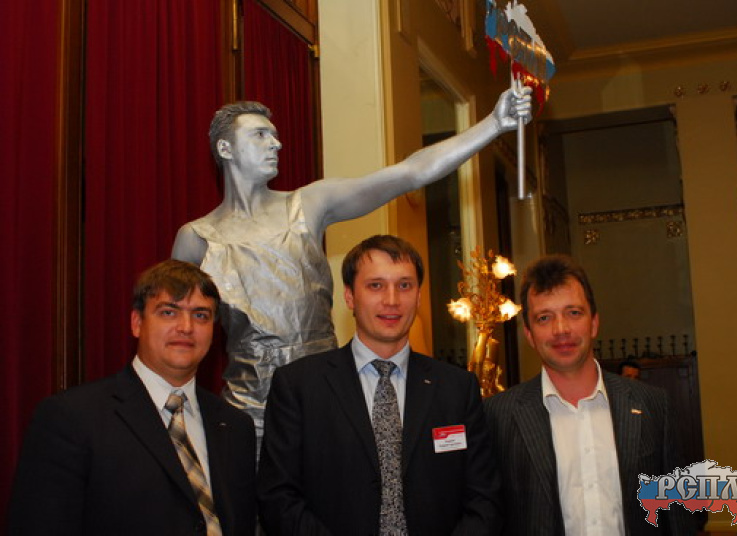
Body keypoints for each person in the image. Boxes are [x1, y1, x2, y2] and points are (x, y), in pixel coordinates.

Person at [171, 88, 533, 440]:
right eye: (260, 135)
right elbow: (177, 336)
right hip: (247, 413)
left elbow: (410, 173)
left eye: (275, 135)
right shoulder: (198, 238)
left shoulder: (307, 205)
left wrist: (493, 124)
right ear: (225, 148)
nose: (276, 144)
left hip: (325, 401)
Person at [257, 235, 500, 535]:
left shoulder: (457, 388)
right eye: (375, 285)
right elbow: (278, 498)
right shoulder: (299, 386)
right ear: (349, 297)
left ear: (419, 296)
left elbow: (484, 498)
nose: (392, 300)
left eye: (404, 285)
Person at [7, 260, 257, 536]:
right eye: (169, 312)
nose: (186, 327)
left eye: (201, 315)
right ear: (137, 323)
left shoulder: (236, 426)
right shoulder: (71, 418)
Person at [484, 254, 693, 535]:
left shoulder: (653, 405)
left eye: (573, 313)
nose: (561, 329)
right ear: (530, 335)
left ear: (594, 323)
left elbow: (677, 515)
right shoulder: (498, 416)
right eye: (544, 318)